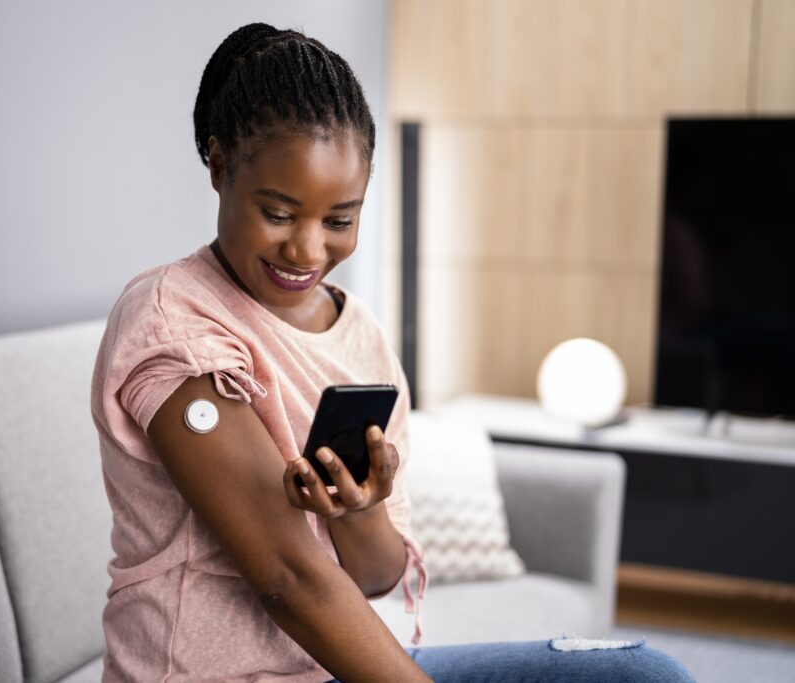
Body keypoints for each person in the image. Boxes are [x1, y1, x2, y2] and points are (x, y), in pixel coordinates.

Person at [91, 22, 695, 682]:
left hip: (336, 670)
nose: (308, 250)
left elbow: (377, 577)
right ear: (218, 164)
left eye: (339, 219)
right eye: (280, 213)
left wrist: (359, 508)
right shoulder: (172, 317)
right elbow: (288, 577)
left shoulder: (362, 336)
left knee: (646, 674)